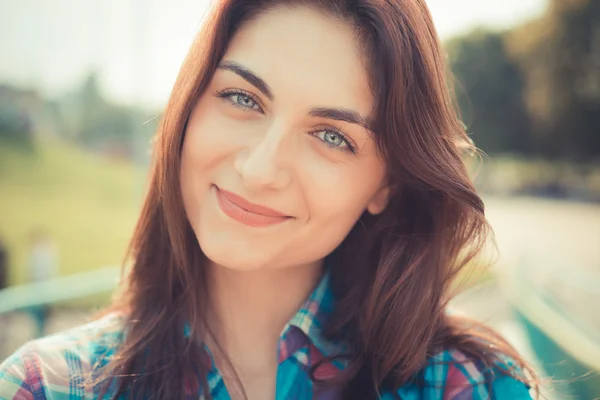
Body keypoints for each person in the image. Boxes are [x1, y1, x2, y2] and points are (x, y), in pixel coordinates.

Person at [0, 1, 538, 399]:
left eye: (332, 136)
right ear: (189, 106)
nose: (258, 170)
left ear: (386, 186)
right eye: (242, 97)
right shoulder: (48, 387)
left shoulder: (470, 387)